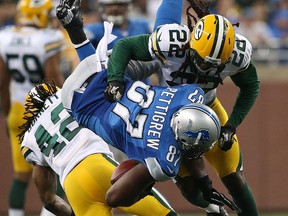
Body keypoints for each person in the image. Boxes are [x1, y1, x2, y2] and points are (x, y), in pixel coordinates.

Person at [56, 0, 241, 215]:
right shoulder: (164, 160)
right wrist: (143, 186)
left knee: (147, 62)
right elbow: (115, 197)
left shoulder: (187, 95)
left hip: (109, 77)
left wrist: (204, 182)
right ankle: (76, 31)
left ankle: (75, 30)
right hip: (78, 104)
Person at [102, 1, 260, 216]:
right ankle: (213, 208)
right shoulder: (171, 41)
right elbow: (125, 46)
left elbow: (251, 85)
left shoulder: (237, 55)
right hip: (169, 115)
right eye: (203, 61)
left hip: (208, 109)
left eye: (214, 64)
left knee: (233, 175)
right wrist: (115, 80)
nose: (207, 67)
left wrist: (232, 125)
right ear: (191, 43)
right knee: (188, 185)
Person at [17, 81, 179, 216]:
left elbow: (48, 200)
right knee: (163, 213)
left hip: (73, 187)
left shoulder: (30, 138)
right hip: (96, 164)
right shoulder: (69, 95)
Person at [0, 0, 65, 215]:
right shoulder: (48, 39)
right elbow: (53, 81)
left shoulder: (6, 36)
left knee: (21, 175)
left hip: (18, 109)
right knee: (56, 171)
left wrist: (8, 112)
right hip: (44, 111)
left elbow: (2, 81)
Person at [84, 0, 151, 50]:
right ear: (102, 7)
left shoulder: (144, 25)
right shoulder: (94, 30)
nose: (115, 8)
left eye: (120, 4)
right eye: (110, 5)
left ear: (128, 6)